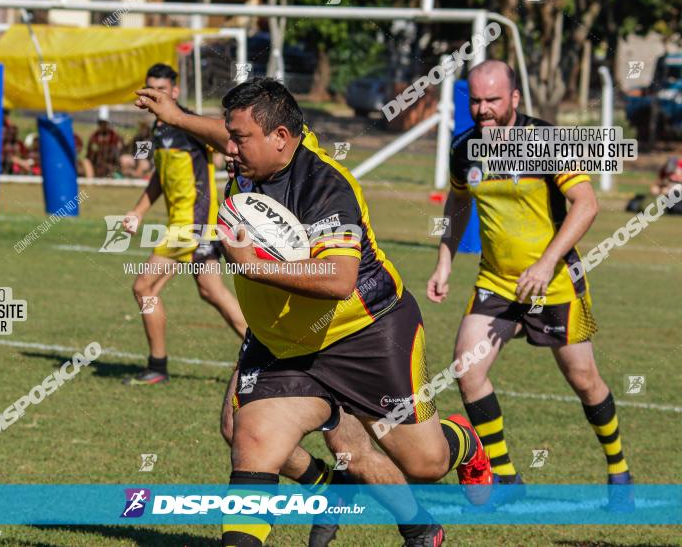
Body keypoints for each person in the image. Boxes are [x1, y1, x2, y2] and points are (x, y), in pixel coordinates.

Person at [135, 77, 492, 546]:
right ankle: (362, 506)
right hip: (281, 343)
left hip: (367, 333)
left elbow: (340, 279)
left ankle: (462, 441)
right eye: (231, 136)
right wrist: (179, 116)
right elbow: (229, 136)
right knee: (251, 439)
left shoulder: (325, 186)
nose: (230, 149)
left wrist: (255, 269)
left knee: (424, 463)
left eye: (240, 139)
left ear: (280, 138)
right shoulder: (255, 154)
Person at [427, 60, 633, 500]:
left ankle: (619, 468)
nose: (482, 109)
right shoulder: (464, 148)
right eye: (476, 100)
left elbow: (586, 204)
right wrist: (444, 259)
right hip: (497, 283)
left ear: (514, 99)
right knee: (468, 368)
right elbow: (458, 203)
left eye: (492, 100)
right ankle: (506, 477)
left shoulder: (546, 142)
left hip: (556, 282)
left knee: (584, 380)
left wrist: (545, 264)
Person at [121, 63, 247, 385]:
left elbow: (227, 142)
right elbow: (160, 179)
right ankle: (270, 353)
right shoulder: (160, 130)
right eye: (149, 90)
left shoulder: (190, 124)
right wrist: (138, 211)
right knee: (212, 291)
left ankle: (157, 366)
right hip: (185, 222)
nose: (154, 96)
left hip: (192, 224)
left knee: (143, 287)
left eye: (161, 90)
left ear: (174, 92)